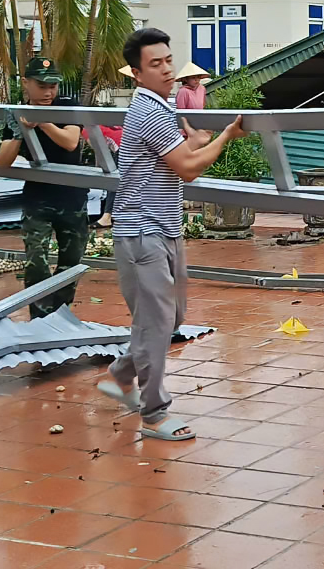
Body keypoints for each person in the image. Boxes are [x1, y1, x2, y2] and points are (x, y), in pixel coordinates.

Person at [98, 28, 245, 441]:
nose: (166, 70)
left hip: (164, 228)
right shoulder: (148, 111)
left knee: (170, 317)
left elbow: (179, 157)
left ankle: (120, 374)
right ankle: (154, 413)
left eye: (168, 60)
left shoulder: (161, 110)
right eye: (155, 64)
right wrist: (225, 137)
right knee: (158, 322)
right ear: (137, 73)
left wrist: (196, 141)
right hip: (142, 232)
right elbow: (188, 168)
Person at [0, 57, 88, 319]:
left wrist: (42, 122)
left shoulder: (68, 105)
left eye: (53, 86)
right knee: (36, 261)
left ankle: (60, 315)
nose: (48, 92)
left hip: (72, 196)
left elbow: (70, 142)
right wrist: (18, 131)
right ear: (26, 83)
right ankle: (40, 318)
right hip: (37, 197)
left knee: (71, 264)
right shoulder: (18, 112)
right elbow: (3, 162)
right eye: (42, 85)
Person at [174, 62, 210, 145]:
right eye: (193, 78)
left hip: (198, 125)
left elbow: (203, 105)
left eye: (198, 77)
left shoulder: (202, 89)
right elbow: (180, 113)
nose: (196, 80)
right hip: (186, 128)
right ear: (186, 79)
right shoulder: (183, 91)